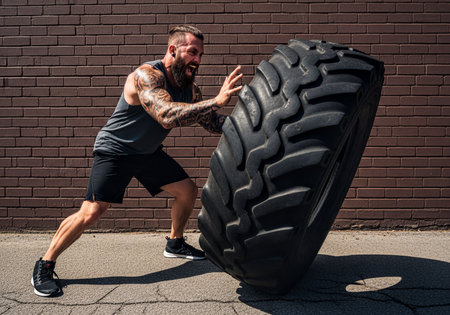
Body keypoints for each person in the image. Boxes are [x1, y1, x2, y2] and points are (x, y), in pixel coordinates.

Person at [31, 25, 243, 297]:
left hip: (147, 153)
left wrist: (250, 125)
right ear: (172, 50)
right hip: (115, 150)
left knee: (187, 191)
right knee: (93, 211)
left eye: (200, 54)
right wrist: (217, 100)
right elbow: (166, 114)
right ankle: (45, 263)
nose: (198, 60)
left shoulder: (190, 91)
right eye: (192, 52)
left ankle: (175, 244)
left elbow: (213, 122)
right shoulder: (146, 75)